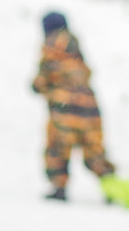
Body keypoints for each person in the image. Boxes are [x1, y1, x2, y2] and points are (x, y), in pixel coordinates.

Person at [32, 11, 116, 201]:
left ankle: (59, 187)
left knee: (57, 148)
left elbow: (42, 80)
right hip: (89, 108)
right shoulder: (75, 48)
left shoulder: (51, 47)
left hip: (64, 109)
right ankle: (110, 185)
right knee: (94, 149)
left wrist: (37, 86)